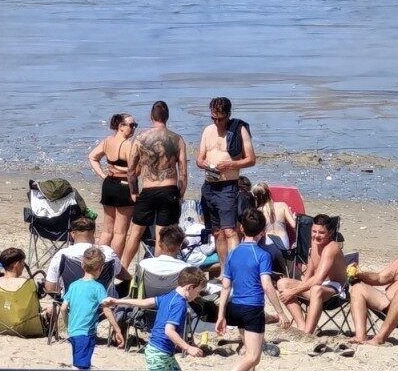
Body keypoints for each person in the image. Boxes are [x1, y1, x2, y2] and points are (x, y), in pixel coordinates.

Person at [217, 209, 287, 371]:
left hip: (235, 308)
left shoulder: (233, 253)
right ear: (263, 231)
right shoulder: (262, 255)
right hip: (252, 309)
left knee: (249, 354)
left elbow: (226, 286)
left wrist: (221, 315)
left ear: (241, 228)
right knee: (253, 357)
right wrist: (280, 312)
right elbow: (267, 285)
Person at [122, 101, 187, 274]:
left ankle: (121, 270)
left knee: (135, 232)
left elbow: (130, 170)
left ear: (151, 117)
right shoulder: (177, 139)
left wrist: (133, 191)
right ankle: (156, 274)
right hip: (169, 189)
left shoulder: (141, 138)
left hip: (148, 190)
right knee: (162, 234)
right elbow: (183, 172)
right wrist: (181, 192)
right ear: (167, 117)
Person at [104, 268, 209, 371]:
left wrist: (117, 301)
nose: (197, 295)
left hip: (161, 352)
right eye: (198, 291)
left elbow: (145, 302)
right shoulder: (179, 304)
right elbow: (169, 331)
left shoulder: (170, 295)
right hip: (159, 354)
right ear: (190, 287)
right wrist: (188, 348)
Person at [348, 224, 398, 346]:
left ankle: (379, 339)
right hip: (387, 304)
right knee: (357, 288)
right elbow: (380, 278)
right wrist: (361, 274)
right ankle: (360, 336)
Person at [198, 97, 256, 265]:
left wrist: (232, 164)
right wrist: (204, 164)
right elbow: (199, 159)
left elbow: (251, 159)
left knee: (230, 230)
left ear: (228, 115)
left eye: (221, 119)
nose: (217, 122)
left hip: (228, 186)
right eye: (213, 118)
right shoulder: (208, 130)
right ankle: (224, 271)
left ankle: (236, 269)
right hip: (210, 185)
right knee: (217, 232)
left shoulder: (239, 129)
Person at [277, 213, 347, 335]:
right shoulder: (314, 244)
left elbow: (318, 279)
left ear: (330, 233)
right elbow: (309, 272)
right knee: (282, 283)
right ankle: (301, 325)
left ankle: (308, 333)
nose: (316, 235)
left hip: (335, 290)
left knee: (315, 289)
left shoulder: (332, 248)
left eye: (321, 232)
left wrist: (293, 292)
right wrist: (297, 288)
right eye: (314, 231)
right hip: (317, 286)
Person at [60, 247, 122, 368]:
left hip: (73, 332)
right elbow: (106, 309)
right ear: (101, 268)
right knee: (81, 366)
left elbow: (63, 308)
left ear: (82, 264)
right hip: (86, 334)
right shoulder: (98, 287)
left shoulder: (73, 285)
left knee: (79, 362)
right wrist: (117, 329)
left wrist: (68, 325)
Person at [89, 113, 138, 260]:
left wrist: (103, 175)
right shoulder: (129, 145)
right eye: (131, 125)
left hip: (108, 184)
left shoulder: (108, 141)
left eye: (135, 125)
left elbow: (92, 157)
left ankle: (96, 261)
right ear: (121, 126)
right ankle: (114, 263)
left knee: (107, 230)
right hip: (123, 186)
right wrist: (134, 191)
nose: (134, 128)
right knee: (120, 232)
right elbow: (134, 172)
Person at [44, 217, 120, 293]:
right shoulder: (108, 252)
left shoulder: (62, 255)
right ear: (93, 232)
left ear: (72, 233)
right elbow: (123, 276)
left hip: (72, 303)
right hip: (104, 302)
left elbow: (50, 287)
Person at [250, 185, 295, 254]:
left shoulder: (259, 211)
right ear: (269, 193)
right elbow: (294, 225)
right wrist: (294, 217)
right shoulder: (283, 205)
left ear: (256, 198)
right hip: (283, 242)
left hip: (268, 243)